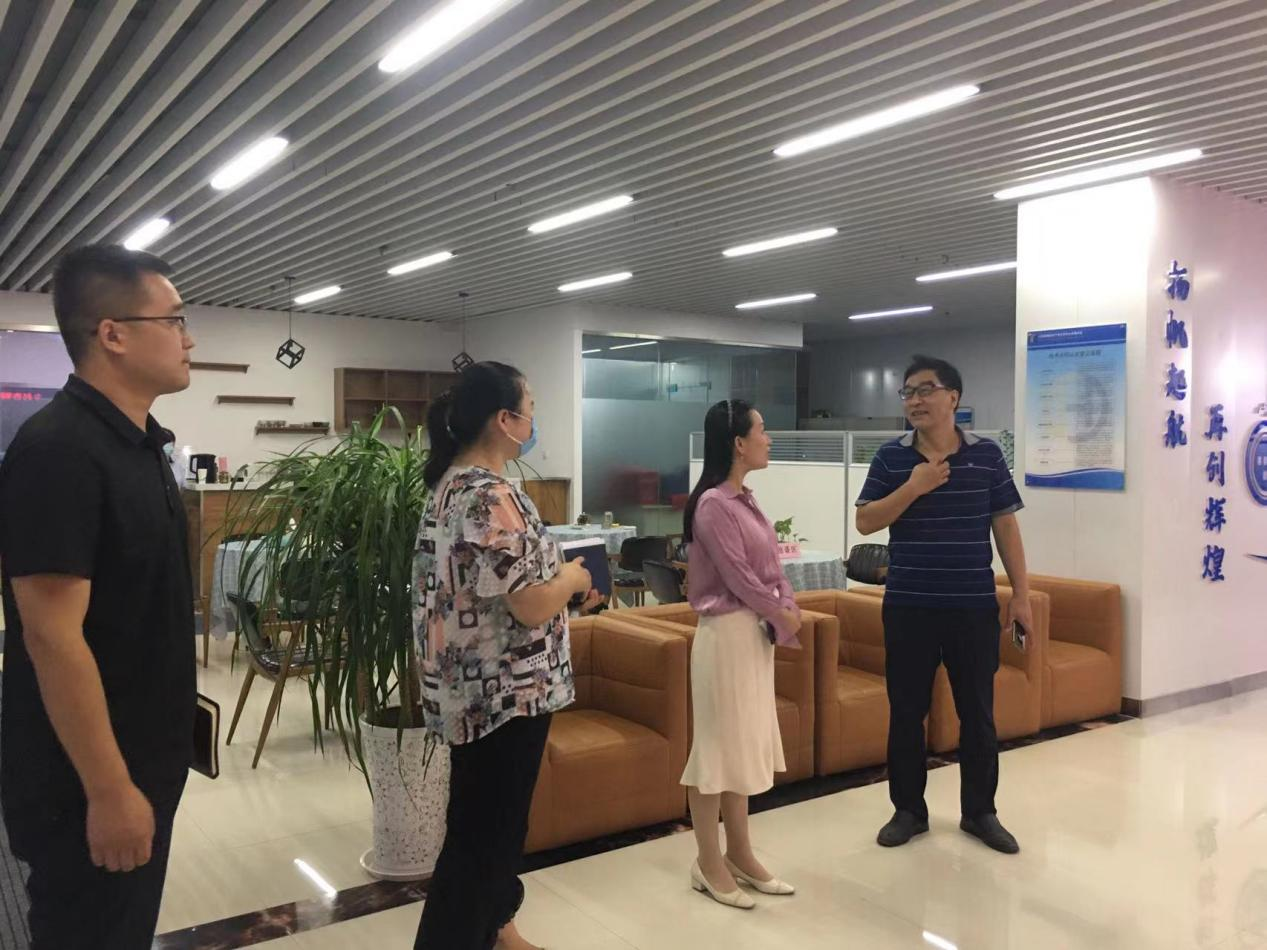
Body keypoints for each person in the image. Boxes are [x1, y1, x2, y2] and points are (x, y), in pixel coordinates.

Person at [0, 245, 198, 948]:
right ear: (112, 333)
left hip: (143, 759)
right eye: (174, 320)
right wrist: (109, 790)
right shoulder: (60, 450)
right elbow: (51, 636)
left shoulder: (139, 444)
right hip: (84, 781)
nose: (188, 339)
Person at [413, 361, 598, 950]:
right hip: (503, 696)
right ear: (504, 419)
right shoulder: (489, 494)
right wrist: (572, 578)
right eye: (530, 409)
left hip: (474, 689)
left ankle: (498, 929)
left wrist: (562, 584)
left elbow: (497, 584)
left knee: (488, 830)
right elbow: (530, 604)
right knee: (480, 844)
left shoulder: (451, 485)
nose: (534, 421)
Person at [856, 355, 1032, 855]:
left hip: (972, 606)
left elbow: (1005, 526)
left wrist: (1021, 595)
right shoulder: (890, 459)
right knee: (906, 712)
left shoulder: (986, 456)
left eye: (925, 390)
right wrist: (913, 488)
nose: (914, 401)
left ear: (953, 397)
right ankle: (908, 811)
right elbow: (866, 522)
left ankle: (980, 812)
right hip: (908, 605)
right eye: (908, 393)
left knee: (978, 713)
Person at [679, 398, 801, 910]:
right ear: (738, 442)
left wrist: (785, 604)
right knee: (715, 751)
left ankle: (741, 853)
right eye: (762, 430)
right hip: (725, 636)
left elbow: (770, 569)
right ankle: (708, 861)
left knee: (741, 746)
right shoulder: (713, 504)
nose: (768, 439)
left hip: (752, 636)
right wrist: (781, 613)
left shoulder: (745, 500)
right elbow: (739, 578)